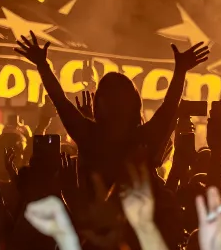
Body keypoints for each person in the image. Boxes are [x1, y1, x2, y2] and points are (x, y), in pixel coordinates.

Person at [14, 31, 209, 187]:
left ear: (99, 104)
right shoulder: (143, 138)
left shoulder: (89, 136)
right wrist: (180, 71)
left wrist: (42, 65)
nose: (116, 104)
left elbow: (60, 100)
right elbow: (168, 108)